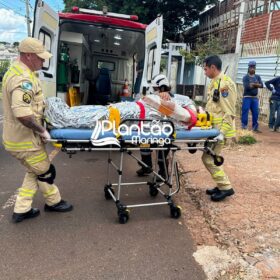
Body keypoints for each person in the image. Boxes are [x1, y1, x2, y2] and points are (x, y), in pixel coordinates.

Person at [2, 37, 73, 223]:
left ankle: (22, 208)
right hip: (24, 141)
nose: (43, 61)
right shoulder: (23, 78)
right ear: (28, 55)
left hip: (19, 139)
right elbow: (23, 114)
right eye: (40, 58)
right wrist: (42, 131)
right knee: (45, 171)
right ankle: (53, 202)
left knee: (35, 171)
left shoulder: (17, 71)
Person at [203, 55, 237, 202]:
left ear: (212, 67)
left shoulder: (225, 85)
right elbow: (213, 107)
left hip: (219, 131)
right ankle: (221, 185)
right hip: (213, 130)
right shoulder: (214, 83)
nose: (204, 72)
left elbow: (229, 111)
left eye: (205, 69)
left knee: (208, 159)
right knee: (209, 157)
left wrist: (222, 133)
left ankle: (225, 187)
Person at [136, 74, 173, 180]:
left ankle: (163, 173)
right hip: (152, 130)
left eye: (155, 88)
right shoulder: (152, 98)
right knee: (144, 142)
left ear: (163, 87)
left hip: (165, 132)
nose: (153, 91)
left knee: (162, 151)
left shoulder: (174, 100)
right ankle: (146, 166)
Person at [241, 61, 263, 132]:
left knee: (256, 112)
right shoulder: (245, 77)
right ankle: (244, 126)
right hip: (247, 97)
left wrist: (253, 84)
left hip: (255, 98)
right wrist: (256, 84)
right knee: (245, 111)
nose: (252, 69)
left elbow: (262, 85)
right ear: (248, 68)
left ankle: (255, 127)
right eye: (251, 67)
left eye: (254, 67)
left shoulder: (257, 77)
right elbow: (247, 87)